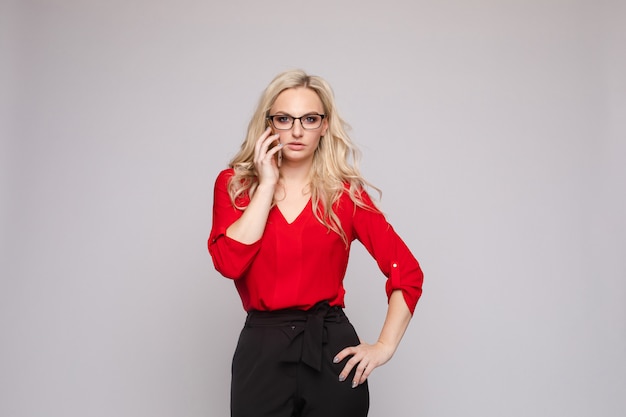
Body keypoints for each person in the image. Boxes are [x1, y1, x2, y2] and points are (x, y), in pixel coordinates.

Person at [208, 69, 423, 417]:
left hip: (330, 349)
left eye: (309, 119)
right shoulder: (235, 185)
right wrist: (265, 186)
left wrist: (384, 346)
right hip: (261, 352)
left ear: (324, 125)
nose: (296, 131)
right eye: (284, 119)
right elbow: (229, 264)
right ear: (268, 123)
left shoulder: (345, 194)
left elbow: (407, 272)